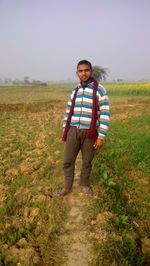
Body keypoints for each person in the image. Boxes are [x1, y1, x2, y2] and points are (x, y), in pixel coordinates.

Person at [54, 60, 110, 197]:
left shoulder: (99, 90)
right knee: (67, 161)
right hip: (73, 130)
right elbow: (68, 112)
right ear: (77, 73)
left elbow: (105, 114)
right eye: (81, 71)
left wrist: (101, 136)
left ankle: (85, 185)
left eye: (86, 70)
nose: (83, 73)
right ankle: (67, 187)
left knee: (87, 162)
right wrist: (65, 130)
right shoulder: (75, 90)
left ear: (91, 71)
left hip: (90, 133)